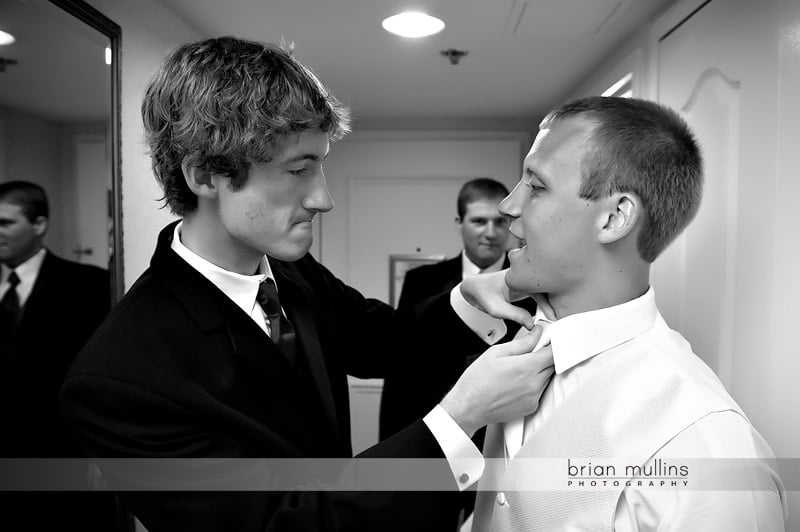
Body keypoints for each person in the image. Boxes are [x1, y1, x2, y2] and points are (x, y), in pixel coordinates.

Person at [59, 37, 555, 532]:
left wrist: (470, 299)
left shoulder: (293, 273)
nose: (323, 199)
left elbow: (389, 343)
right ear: (206, 176)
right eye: (298, 170)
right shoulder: (117, 380)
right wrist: (460, 418)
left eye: (320, 165)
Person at [465, 96, 787, 531]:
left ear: (615, 217)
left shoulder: (705, 449)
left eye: (536, 186)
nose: (508, 206)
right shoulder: (521, 349)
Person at [0, 181, 120, 530]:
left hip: (61, 455)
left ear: (39, 225)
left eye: (5, 223)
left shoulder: (90, 286)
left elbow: (105, 378)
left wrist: (102, 454)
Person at [380, 177, 535, 440]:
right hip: (434, 428)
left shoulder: (531, 285)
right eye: (478, 221)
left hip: (504, 434)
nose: (490, 232)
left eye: (499, 222)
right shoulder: (422, 281)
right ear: (459, 223)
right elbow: (403, 365)